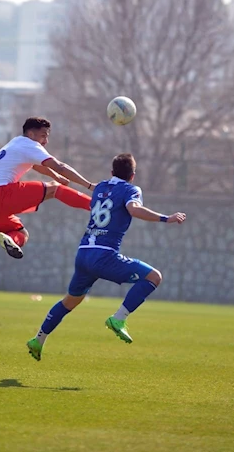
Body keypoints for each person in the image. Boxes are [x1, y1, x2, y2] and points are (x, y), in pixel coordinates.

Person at [25, 153, 186, 361]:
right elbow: (133, 209)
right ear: (133, 176)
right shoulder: (131, 190)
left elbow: (95, 190)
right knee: (154, 277)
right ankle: (119, 318)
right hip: (104, 255)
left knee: (69, 302)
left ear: (111, 173)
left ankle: (38, 339)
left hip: (83, 253)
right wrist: (167, 218)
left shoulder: (101, 187)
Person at [0, 116, 97, 260]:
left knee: (22, 234)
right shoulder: (30, 145)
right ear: (31, 134)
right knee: (54, 189)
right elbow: (61, 167)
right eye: (43, 136)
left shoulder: (16, 142)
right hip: (0, 195)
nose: (46, 141)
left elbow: (36, 164)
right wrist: (89, 185)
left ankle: (10, 240)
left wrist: (56, 177)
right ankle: (96, 206)